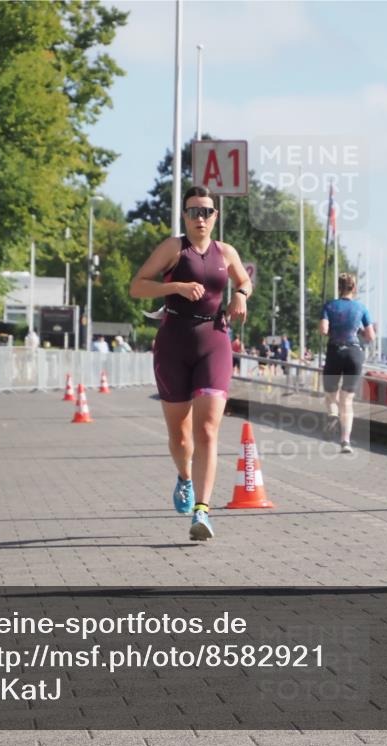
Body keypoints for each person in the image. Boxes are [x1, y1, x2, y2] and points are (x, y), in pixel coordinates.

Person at [130, 186, 252, 541]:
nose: (201, 218)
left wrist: (241, 294)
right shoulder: (173, 248)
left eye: (207, 211)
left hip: (214, 341)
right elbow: (137, 286)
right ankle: (184, 477)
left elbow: (243, 279)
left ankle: (203, 510)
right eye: (194, 211)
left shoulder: (225, 252)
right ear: (184, 216)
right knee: (180, 436)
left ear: (215, 216)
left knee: (208, 429)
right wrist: (177, 288)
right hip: (173, 344)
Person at [320, 273, 375, 454]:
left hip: (335, 352)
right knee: (348, 401)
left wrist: (333, 331)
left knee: (331, 395)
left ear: (339, 288)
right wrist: (357, 331)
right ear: (354, 288)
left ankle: (333, 415)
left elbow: (323, 329)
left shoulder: (329, 306)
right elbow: (370, 336)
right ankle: (345, 441)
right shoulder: (361, 308)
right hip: (354, 353)